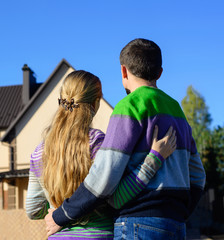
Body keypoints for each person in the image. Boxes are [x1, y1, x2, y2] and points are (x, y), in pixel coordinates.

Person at [45, 39, 206, 240]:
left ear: (124, 71)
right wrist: (178, 213)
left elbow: (104, 176)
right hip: (176, 225)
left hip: (138, 223)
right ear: (159, 73)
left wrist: (61, 216)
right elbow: (198, 176)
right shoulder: (177, 111)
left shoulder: (128, 107)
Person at [26, 70, 177, 239]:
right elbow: (118, 198)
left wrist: (57, 213)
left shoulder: (39, 152)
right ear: (94, 103)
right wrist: (154, 159)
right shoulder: (99, 143)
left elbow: (32, 210)